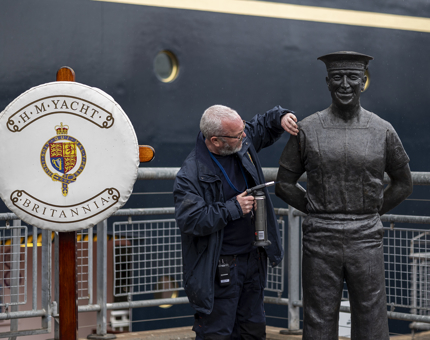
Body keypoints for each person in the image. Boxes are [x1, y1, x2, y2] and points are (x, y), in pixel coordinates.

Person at [275, 51, 413, 340]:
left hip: (366, 237)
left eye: (353, 77)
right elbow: (284, 183)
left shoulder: (382, 130)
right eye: (337, 77)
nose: (345, 85)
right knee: (318, 316)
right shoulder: (307, 130)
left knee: (372, 316)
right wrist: (316, 209)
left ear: (363, 82)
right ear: (327, 82)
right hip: (319, 238)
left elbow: (403, 183)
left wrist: (372, 212)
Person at [173, 104, 297, 340]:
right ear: (216, 140)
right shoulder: (189, 175)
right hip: (220, 269)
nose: (245, 137)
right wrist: (233, 208)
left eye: (243, 131)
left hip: (252, 261)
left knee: (253, 331)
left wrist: (281, 117)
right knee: (218, 334)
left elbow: (261, 124)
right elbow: (190, 220)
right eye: (238, 135)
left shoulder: (239, 139)